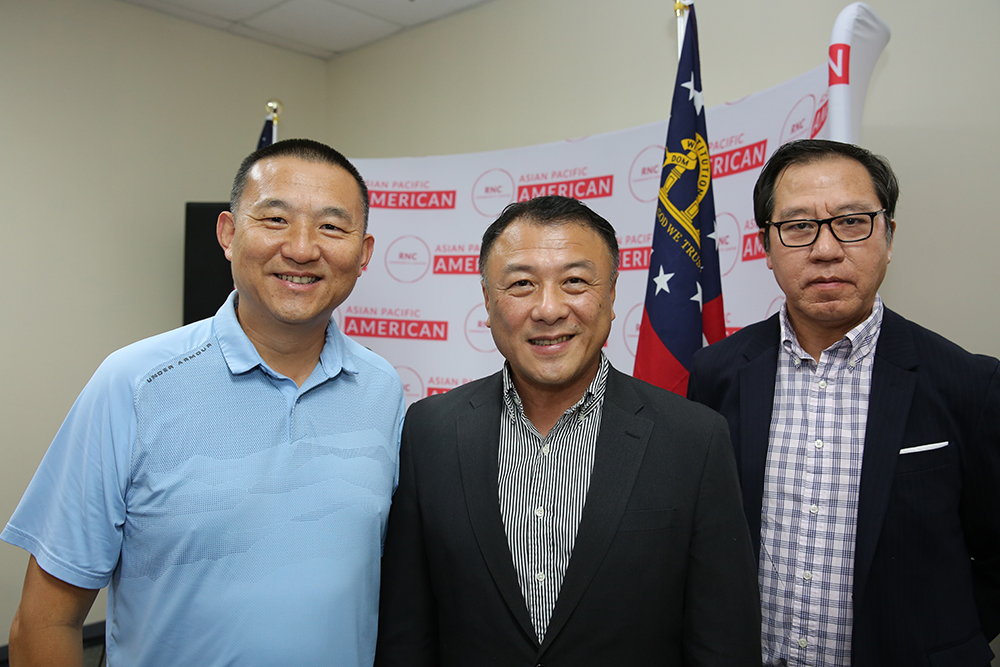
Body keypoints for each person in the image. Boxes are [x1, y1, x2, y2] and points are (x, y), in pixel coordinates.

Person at [1, 139, 405, 666]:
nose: (303, 249)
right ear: (229, 234)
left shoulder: (382, 389)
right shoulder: (135, 385)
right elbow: (45, 622)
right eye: (275, 219)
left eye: (331, 227)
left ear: (364, 252)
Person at [375, 195, 761, 667]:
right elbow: (407, 633)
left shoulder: (695, 439)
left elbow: (723, 642)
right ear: (488, 302)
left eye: (575, 281)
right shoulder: (429, 431)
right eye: (522, 284)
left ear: (612, 295)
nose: (549, 309)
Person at [687, 139, 1000, 666]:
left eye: (852, 222)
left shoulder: (970, 383)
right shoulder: (716, 374)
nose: (826, 249)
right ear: (766, 247)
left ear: (889, 236)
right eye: (798, 226)